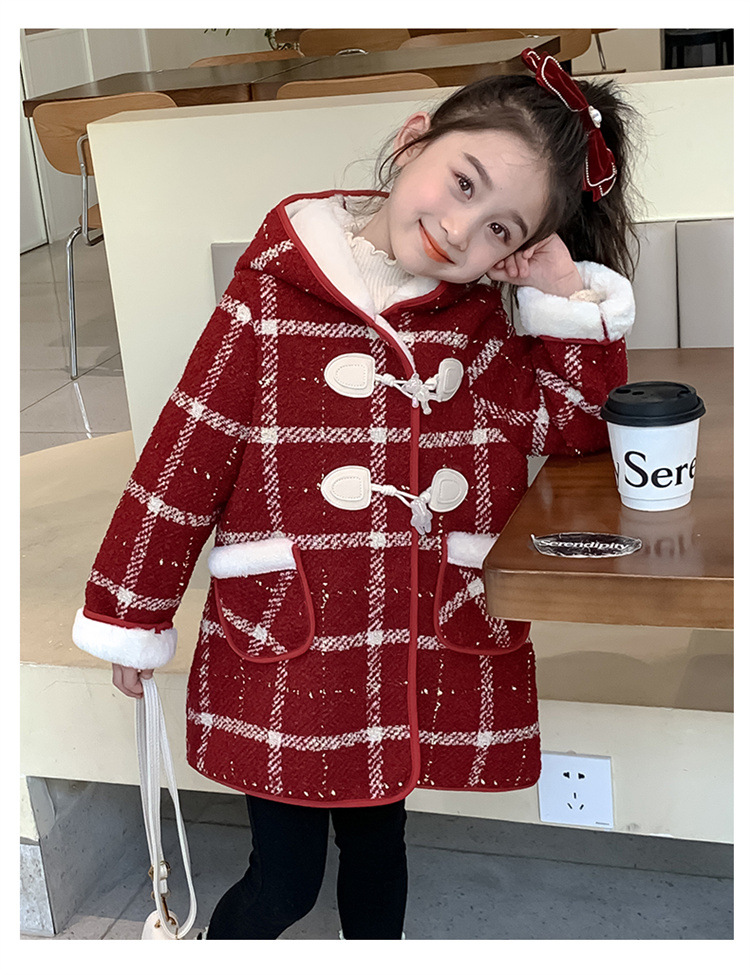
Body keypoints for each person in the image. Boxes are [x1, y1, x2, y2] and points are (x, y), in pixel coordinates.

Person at [72, 51, 639, 940]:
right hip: (291, 643)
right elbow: (185, 457)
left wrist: (564, 294)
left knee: (381, 856)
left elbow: (574, 426)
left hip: (407, 640)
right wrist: (130, 612)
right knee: (284, 882)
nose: (460, 228)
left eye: (499, 228)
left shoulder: (478, 330)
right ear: (413, 143)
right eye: (462, 182)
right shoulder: (267, 301)